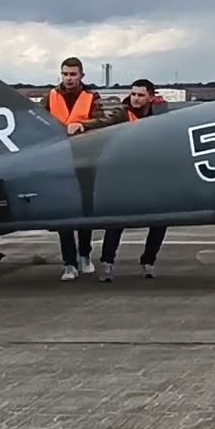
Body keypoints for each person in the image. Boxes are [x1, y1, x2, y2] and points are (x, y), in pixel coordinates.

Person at [80, 79, 169, 281]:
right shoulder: (122, 113)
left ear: (151, 97)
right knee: (117, 219)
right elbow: (102, 122)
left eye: (140, 95)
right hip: (124, 174)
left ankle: (148, 261)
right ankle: (107, 263)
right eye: (134, 94)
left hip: (152, 174)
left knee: (160, 220)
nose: (135, 99)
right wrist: (81, 125)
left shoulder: (161, 115)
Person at [41, 56, 103, 281]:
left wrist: (83, 125)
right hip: (56, 161)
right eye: (65, 74)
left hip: (83, 160)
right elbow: (38, 120)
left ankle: (85, 255)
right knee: (64, 215)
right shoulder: (51, 96)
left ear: (81, 76)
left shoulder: (91, 97)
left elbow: (102, 121)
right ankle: (69, 263)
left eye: (73, 74)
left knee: (85, 212)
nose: (68, 78)